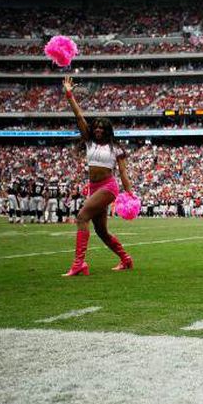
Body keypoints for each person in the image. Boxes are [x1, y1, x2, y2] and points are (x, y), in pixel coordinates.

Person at [62, 76, 134, 276]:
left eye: (103, 128)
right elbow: (79, 117)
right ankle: (126, 259)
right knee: (101, 231)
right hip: (93, 188)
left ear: (108, 130)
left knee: (82, 216)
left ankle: (79, 264)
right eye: (97, 127)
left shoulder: (116, 148)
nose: (99, 130)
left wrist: (130, 194)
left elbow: (124, 174)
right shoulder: (89, 142)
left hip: (108, 187)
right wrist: (69, 94)